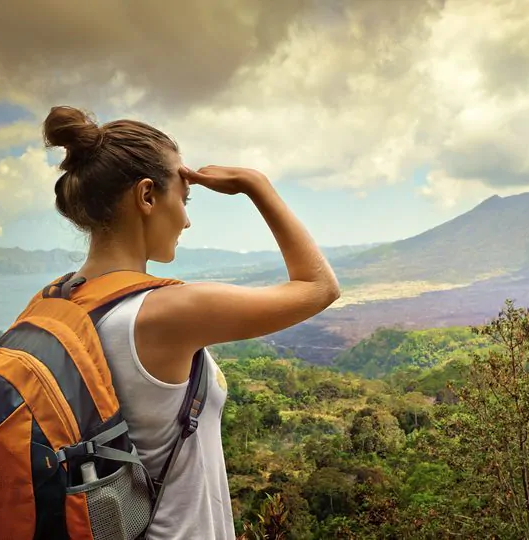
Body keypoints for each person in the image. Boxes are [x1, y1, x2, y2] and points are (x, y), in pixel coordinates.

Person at [42, 105, 340, 539]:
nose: (186, 218)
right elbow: (320, 287)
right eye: (183, 199)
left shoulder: (59, 299)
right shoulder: (164, 311)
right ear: (147, 197)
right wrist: (257, 185)